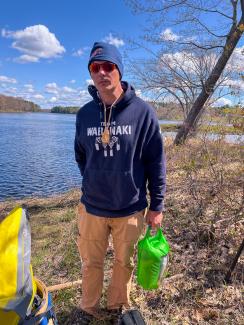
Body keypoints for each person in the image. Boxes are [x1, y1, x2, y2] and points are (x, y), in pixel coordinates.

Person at [74, 41, 166, 321]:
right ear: (91, 73)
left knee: (123, 263)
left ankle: (116, 308)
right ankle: (88, 308)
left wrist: (157, 205)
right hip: (92, 208)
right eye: (95, 67)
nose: (102, 73)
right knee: (91, 263)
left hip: (130, 208)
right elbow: (81, 156)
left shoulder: (142, 112)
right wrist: (94, 179)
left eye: (108, 66)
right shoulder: (84, 115)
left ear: (119, 70)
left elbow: (155, 161)